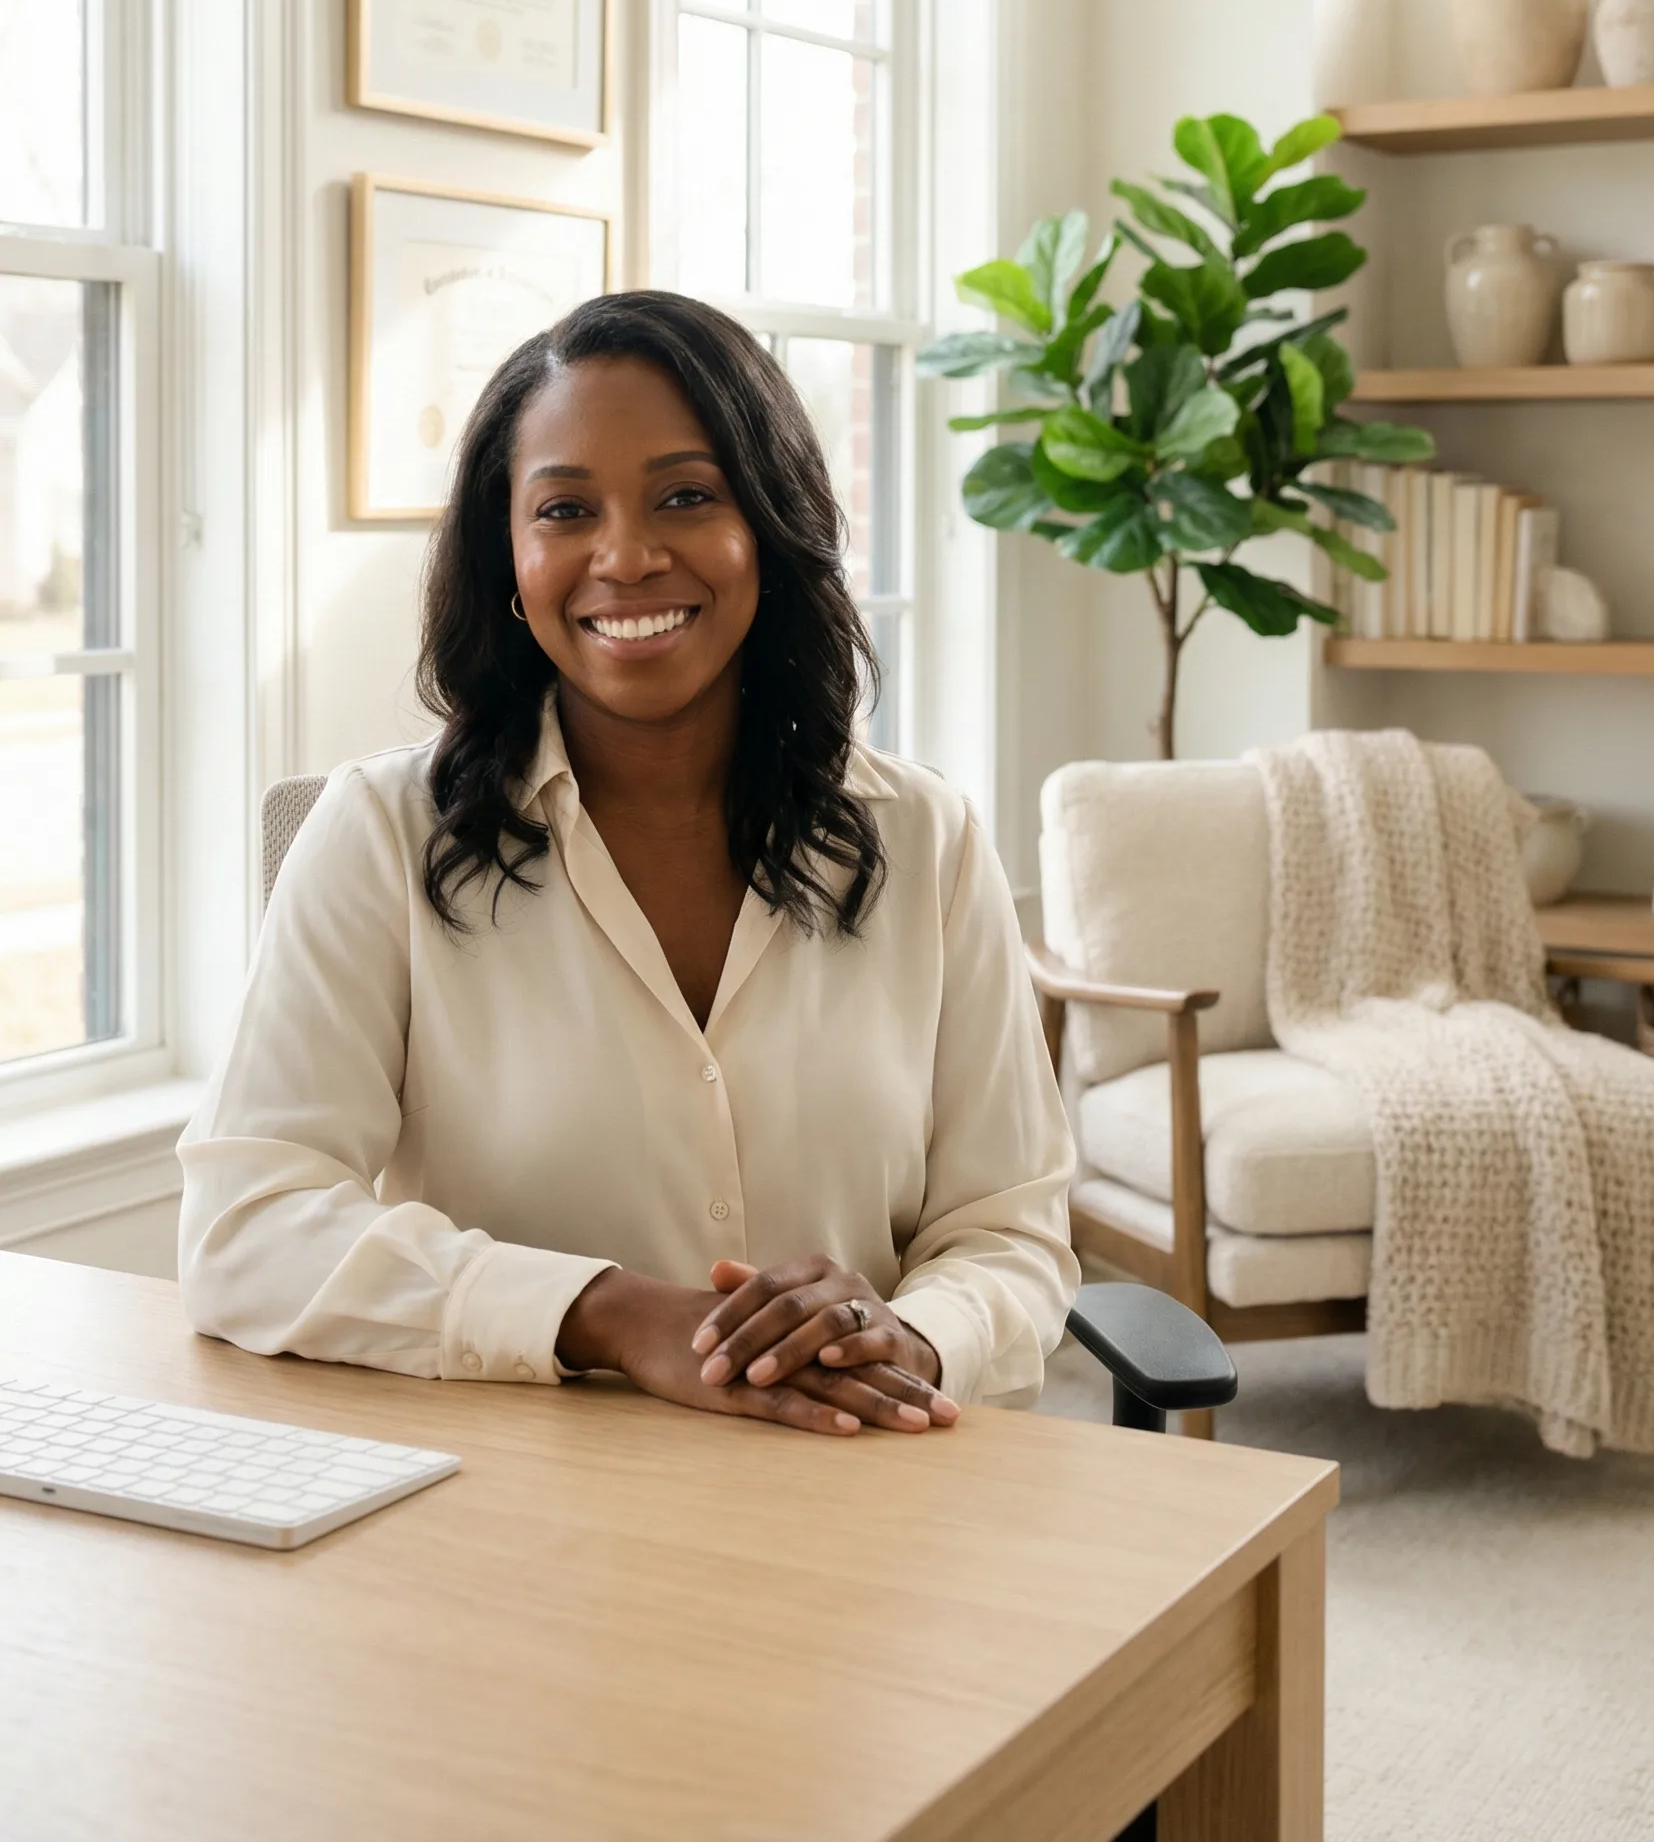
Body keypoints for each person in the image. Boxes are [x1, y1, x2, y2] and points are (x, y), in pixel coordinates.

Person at [179, 292, 1078, 1437]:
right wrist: (604, 1313)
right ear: (509, 559)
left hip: (861, 1489)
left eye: (686, 497)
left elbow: (1009, 1230)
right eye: (564, 510)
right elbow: (245, 1226)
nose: (626, 556)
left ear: (769, 522)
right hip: (515, 1509)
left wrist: (917, 1334)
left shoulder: (925, 841)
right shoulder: (375, 836)